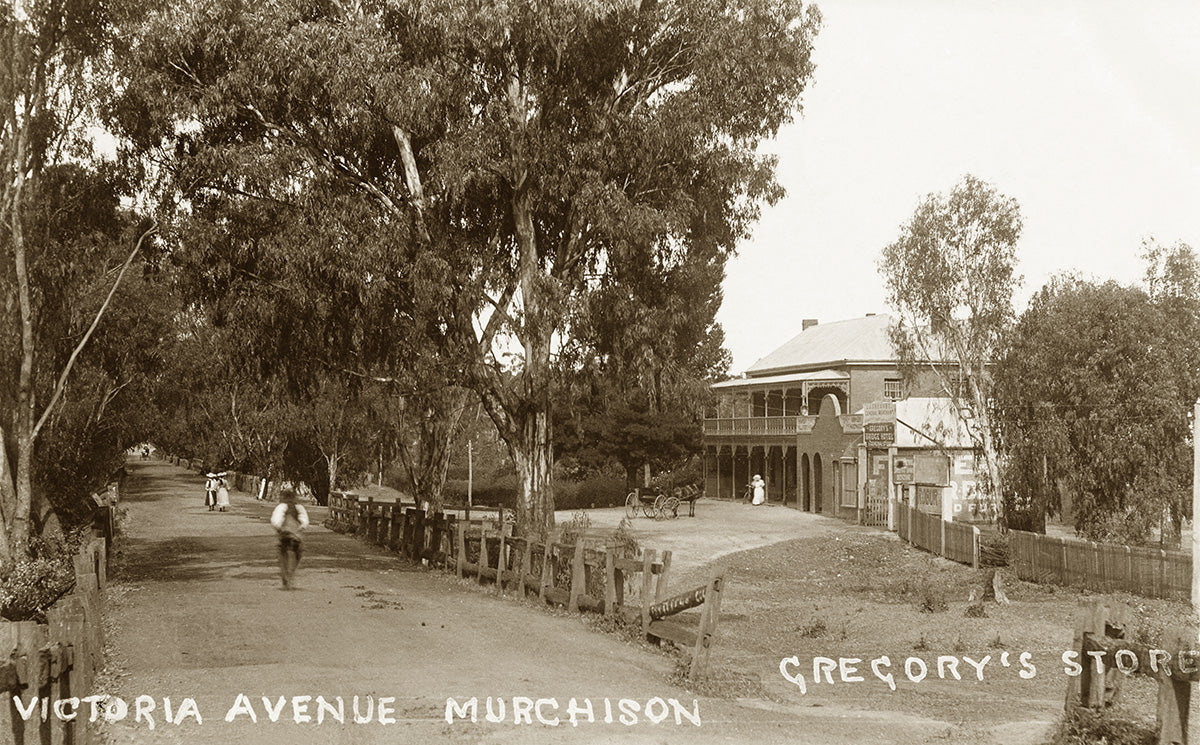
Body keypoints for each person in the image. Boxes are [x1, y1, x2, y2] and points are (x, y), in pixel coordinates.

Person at [270, 487, 309, 589]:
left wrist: (279, 529)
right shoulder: (299, 507)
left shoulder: (281, 506)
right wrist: (299, 529)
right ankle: (291, 574)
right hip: (296, 537)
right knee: (298, 553)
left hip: (284, 535)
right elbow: (305, 522)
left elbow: (275, 521)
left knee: (282, 554)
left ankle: (285, 575)